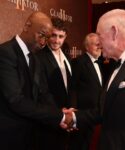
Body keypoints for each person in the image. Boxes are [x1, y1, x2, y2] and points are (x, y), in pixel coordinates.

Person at [63, 9, 125, 150]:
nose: (98, 41)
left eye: (99, 34)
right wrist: (73, 117)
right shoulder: (116, 65)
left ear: (114, 32)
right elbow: (104, 111)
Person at [0, 12, 69, 150]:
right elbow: (16, 100)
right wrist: (59, 116)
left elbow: (43, 93)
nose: (43, 42)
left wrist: (59, 112)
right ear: (27, 26)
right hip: (8, 136)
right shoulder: (5, 52)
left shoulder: (36, 58)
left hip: (31, 135)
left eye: (47, 38)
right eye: (41, 35)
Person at [36, 17, 72, 150]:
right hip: (50, 118)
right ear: (47, 34)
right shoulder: (39, 57)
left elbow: (69, 87)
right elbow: (42, 91)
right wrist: (59, 114)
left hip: (65, 118)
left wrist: (69, 113)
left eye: (61, 36)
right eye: (53, 35)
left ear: (65, 36)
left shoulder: (67, 57)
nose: (57, 40)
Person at [68, 33, 103, 150]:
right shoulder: (79, 62)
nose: (99, 47)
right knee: (79, 145)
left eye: (100, 44)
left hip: (95, 114)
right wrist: (74, 111)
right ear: (87, 47)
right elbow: (72, 87)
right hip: (82, 113)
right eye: (96, 45)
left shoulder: (100, 62)